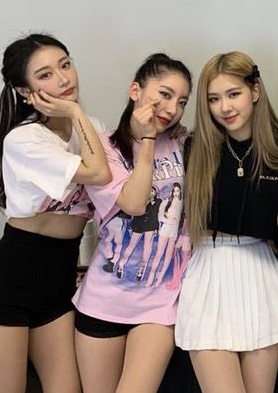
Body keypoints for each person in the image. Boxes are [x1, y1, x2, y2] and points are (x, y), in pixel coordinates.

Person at [0, 33, 112, 393]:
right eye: (45, 75)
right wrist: (75, 111)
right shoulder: (25, 139)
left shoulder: (92, 129)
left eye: (65, 65)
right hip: (9, 283)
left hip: (58, 283)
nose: (63, 79)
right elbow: (98, 173)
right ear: (24, 90)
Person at [72, 53, 191, 393]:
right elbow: (135, 203)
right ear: (135, 90)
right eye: (165, 94)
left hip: (158, 303)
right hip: (102, 300)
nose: (172, 108)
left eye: (182, 101)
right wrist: (148, 141)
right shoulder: (104, 148)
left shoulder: (184, 143)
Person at [176, 52, 278, 393]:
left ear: (254, 91)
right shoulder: (194, 148)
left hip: (261, 275)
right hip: (208, 274)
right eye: (214, 99)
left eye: (233, 94)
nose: (224, 107)